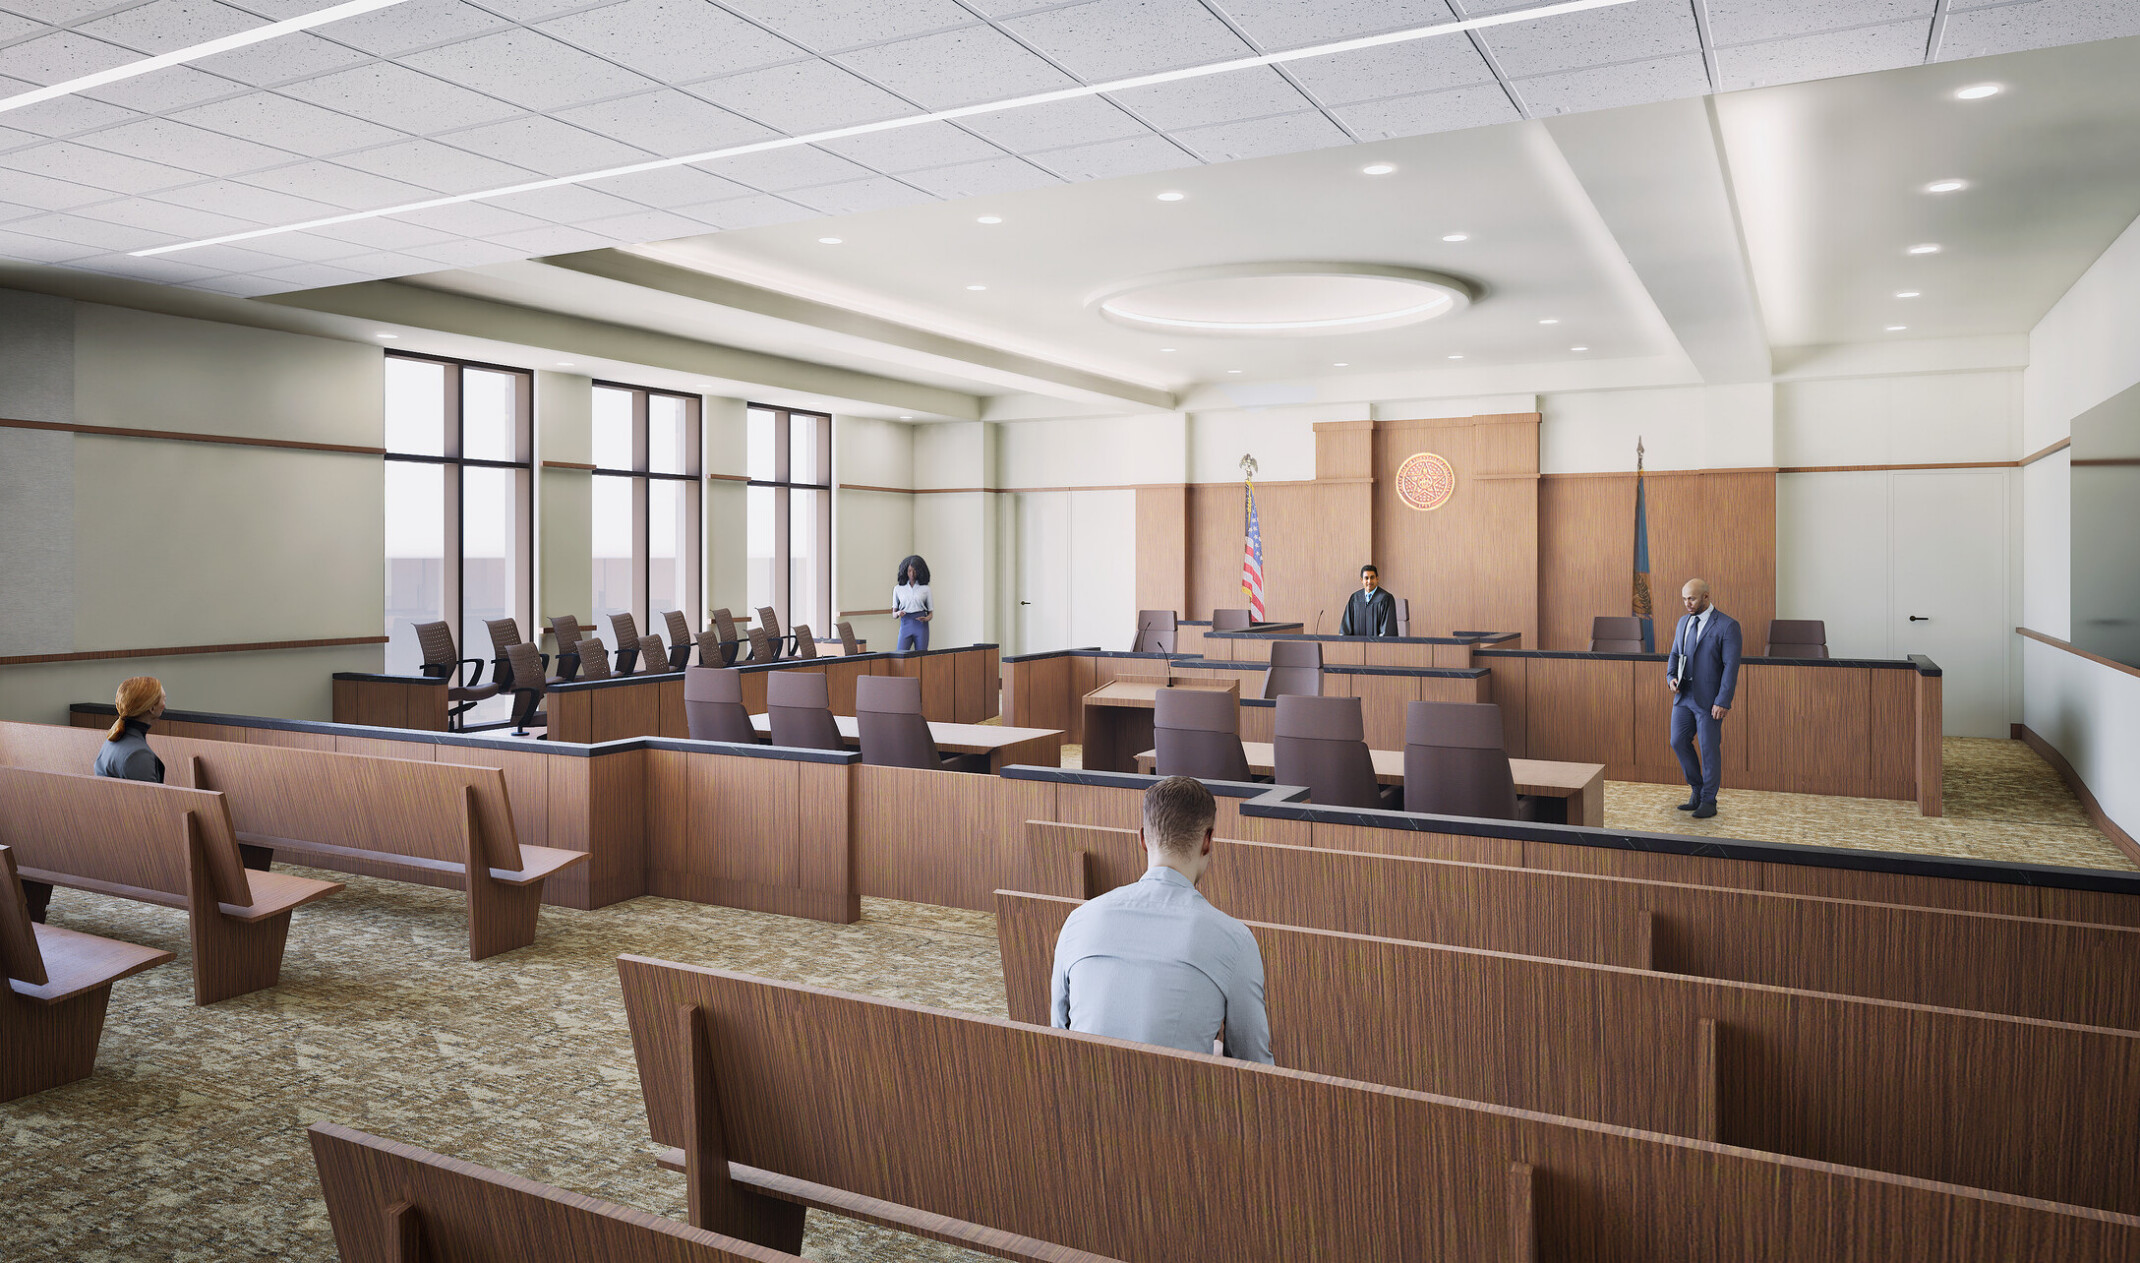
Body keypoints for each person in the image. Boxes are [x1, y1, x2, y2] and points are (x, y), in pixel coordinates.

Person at [1049, 775, 1271, 1063]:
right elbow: (1254, 1063)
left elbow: (1058, 1033)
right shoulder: (1235, 940)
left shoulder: (1079, 920)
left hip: (1081, 1095)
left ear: (1142, 838)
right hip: (1175, 1101)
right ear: (1207, 841)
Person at [1665, 578, 1742, 820]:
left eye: (1692, 598)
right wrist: (1670, 677)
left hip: (1710, 702)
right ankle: (1697, 790)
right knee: (1677, 741)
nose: (1687, 603)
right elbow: (1675, 653)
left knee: (1709, 750)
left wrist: (1723, 700)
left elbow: (1731, 667)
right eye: (1684, 599)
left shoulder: (1728, 626)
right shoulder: (1682, 622)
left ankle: (1709, 800)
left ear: (1706, 597)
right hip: (1683, 696)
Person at [95, 675, 167, 783]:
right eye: (163, 699)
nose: (165, 705)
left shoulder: (113, 739)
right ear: (152, 708)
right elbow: (149, 799)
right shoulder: (139, 754)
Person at [1338, 562, 1399, 636]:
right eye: (1366, 578)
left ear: (1377, 579)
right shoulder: (1354, 599)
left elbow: (1387, 631)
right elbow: (1345, 630)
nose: (1369, 581)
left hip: (1378, 646)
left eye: (1372, 577)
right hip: (1357, 646)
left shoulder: (1386, 599)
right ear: (1361, 580)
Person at [893, 554, 932, 653]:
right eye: (909, 571)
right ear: (905, 571)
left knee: (922, 656)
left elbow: (930, 613)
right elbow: (894, 614)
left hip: (921, 623)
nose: (912, 574)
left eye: (915, 571)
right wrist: (898, 613)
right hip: (905, 622)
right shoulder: (898, 589)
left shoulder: (925, 589)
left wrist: (926, 618)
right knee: (900, 654)